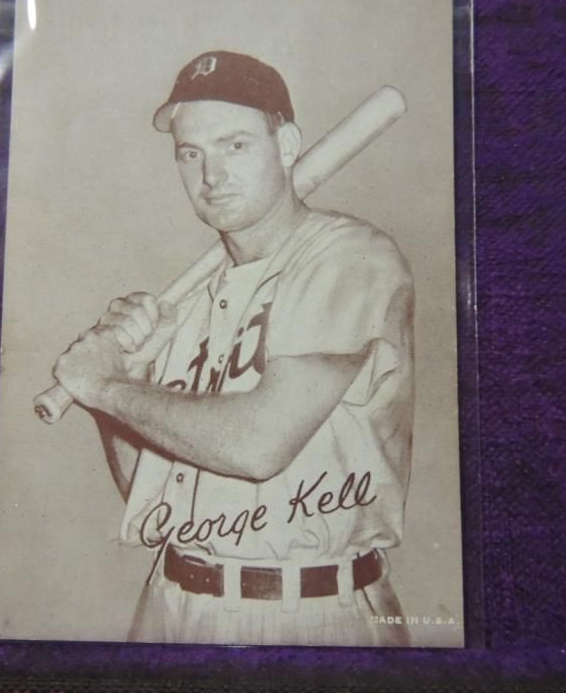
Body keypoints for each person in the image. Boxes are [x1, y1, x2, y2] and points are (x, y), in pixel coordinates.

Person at [52, 51, 414, 646]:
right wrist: (122, 386)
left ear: (287, 144)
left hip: (311, 611)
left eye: (235, 145)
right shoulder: (192, 302)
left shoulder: (350, 260)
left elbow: (256, 447)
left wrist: (107, 388)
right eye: (190, 154)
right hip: (172, 600)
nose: (211, 175)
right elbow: (148, 491)